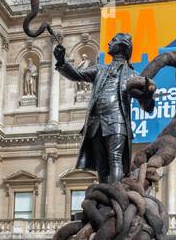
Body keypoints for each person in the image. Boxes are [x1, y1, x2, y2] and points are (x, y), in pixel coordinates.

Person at [54, 32, 155, 185]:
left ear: (123, 45)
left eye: (113, 40)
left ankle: (115, 194)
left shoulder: (133, 75)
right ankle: (104, 199)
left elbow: (147, 106)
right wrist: (61, 61)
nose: (109, 43)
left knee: (115, 158)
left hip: (117, 120)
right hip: (96, 122)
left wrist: (148, 94)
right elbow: (77, 75)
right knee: (101, 165)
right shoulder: (99, 70)